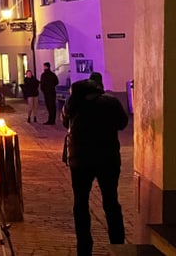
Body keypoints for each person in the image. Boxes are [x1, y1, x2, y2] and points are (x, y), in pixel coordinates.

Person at [62, 72, 128, 255]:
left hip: (79, 159)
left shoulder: (72, 102)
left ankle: (84, 248)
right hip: (107, 158)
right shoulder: (110, 102)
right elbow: (123, 123)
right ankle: (118, 244)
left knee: (80, 203)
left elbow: (64, 122)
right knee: (111, 201)